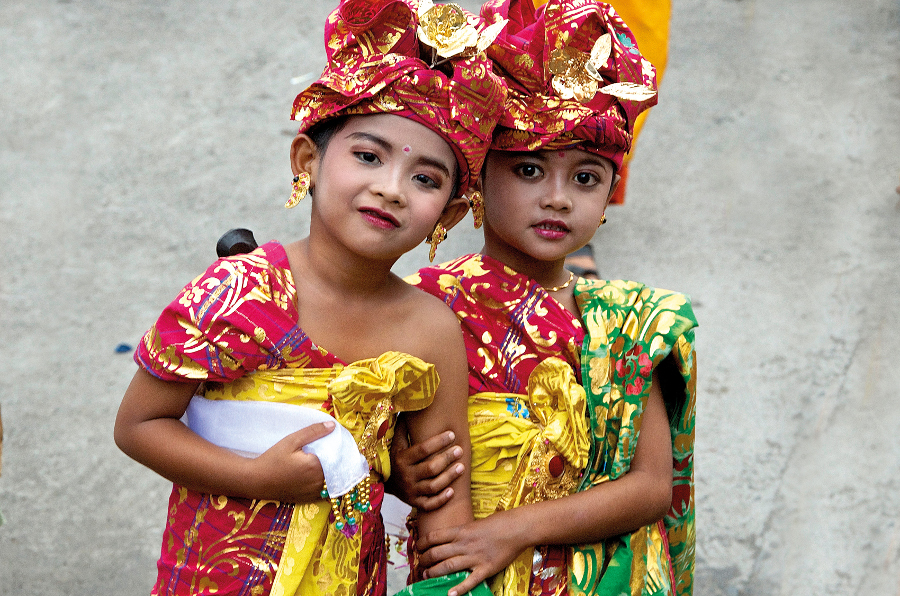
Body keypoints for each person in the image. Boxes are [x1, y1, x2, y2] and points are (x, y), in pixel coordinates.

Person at [113, 1, 509, 594]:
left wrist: (393, 475)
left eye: (425, 178)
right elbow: (140, 425)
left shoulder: (430, 330)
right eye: (368, 156)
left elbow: (443, 503)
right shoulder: (241, 291)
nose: (390, 188)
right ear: (307, 160)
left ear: (448, 215)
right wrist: (258, 477)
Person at [396, 1, 697, 595]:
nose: (558, 198)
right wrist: (396, 475)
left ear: (611, 192)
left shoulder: (633, 321)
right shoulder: (420, 306)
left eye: (585, 177)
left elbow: (650, 487)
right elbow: (381, 456)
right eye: (530, 170)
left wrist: (512, 531)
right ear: (477, 175)